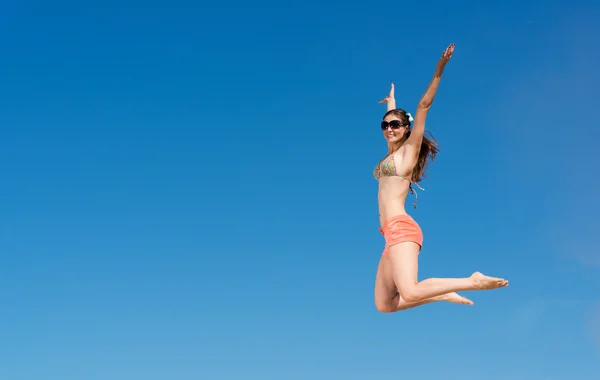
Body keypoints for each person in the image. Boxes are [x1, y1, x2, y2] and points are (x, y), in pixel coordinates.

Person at [373, 43, 508, 313]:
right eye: (385, 125)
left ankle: (472, 280)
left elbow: (424, 105)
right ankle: (441, 295)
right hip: (388, 232)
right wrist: (391, 105)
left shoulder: (409, 151)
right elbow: (393, 127)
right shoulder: (390, 154)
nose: (389, 129)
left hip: (402, 228)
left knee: (410, 291)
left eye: (395, 125)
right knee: (385, 305)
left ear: (407, 129)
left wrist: (440, 68)